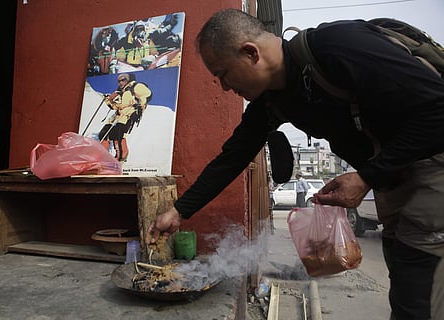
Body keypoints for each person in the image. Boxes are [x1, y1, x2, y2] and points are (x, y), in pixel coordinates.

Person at [146, 8, 444, 320]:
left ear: (250, 53)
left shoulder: (338, 46)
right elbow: (231, 159)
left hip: (431, 164)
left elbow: (438, 106)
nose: (224, 87)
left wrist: (367, 176)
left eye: (223, 74)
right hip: (394, 181)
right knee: (409, 284)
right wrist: (179, 211)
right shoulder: (273, 100)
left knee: (416, 299)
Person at [98, 73, 152, 161]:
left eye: (123, 80)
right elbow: (115, 107)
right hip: (117, 116)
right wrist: (109, 100)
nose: (120, 82)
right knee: (103, 133)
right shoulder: (120, 92)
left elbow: (148, 94)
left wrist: (139, 101)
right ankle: (102, 156)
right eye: (119, 81)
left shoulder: (135, 87)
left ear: (128, 80)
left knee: (119, 134)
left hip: (129, 114)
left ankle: (121, 156)